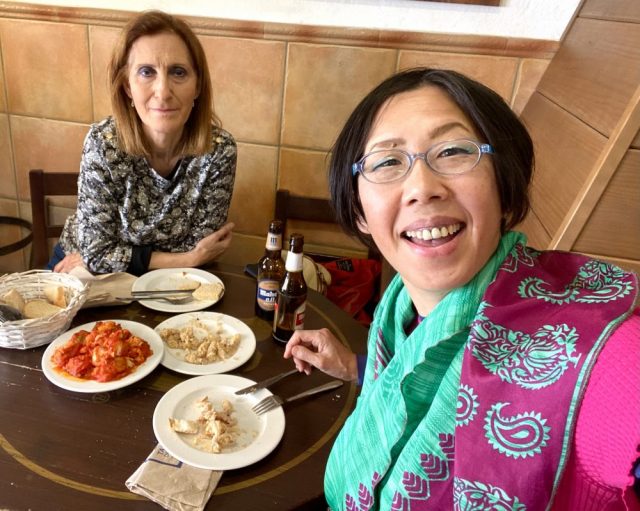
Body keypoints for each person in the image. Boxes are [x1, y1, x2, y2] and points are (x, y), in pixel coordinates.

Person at [284, 68, 639, 510]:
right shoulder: (398, 313)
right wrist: (357, 367)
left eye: (453, 151)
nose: (422, 188)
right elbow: (418, 375)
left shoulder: (592, 352)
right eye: (388, 162)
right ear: (359, 213)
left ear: (505, 187)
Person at [51, 10, 236, 275]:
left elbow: (201, 246)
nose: (163, 92)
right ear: (127, 86)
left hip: (168, 276)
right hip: (82, 269)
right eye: (147, 72)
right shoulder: (103, 143)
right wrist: (189, 258)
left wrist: (112, 254)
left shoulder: (218, 150)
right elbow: (96, 253)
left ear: (198, 86)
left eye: (178, 72)